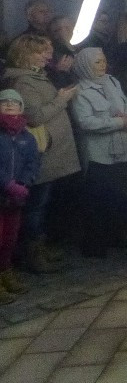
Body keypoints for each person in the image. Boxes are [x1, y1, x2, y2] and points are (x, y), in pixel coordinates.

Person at [1, 35, 79, 274]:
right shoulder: (24, 82)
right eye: (40, 52)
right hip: (41, 153)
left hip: (53, 151)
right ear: (26, 55)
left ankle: (39, 248)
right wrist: (61, 100)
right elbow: (34, 115)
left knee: (43, 204)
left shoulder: (37, 77)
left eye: (48, 51)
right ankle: (32, 254)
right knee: (36, 206)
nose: (48, 55)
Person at [69, 47, 127, 257]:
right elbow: (86, 122)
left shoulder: (113, 82)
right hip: (98, 153)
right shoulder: (79, 91)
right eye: (97, 62)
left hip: (122, 149)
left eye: (104, 61)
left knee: (118, 196)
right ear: (85, 65)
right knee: (98, 200)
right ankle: (95, 243)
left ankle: (115, 234)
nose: (102, 66)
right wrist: (119, 122)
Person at [0, 89, 39, 304]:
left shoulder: (26, 137)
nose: (8, 105)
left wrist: (25, 182)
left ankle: (6, 271)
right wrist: (7, 184)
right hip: (3, 192)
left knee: (9, 238)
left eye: (14, 102)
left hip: (15, 198)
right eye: (4, 101)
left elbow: (33, 161)